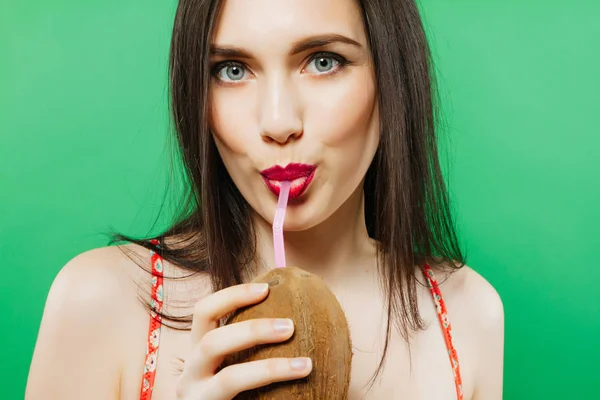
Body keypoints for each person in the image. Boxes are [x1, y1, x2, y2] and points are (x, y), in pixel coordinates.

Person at [25, 0, 504, 399]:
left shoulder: (468, 314)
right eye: (232, 70)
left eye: (323, 61)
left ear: (391, 75)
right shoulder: (103, 303)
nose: (277, 122)